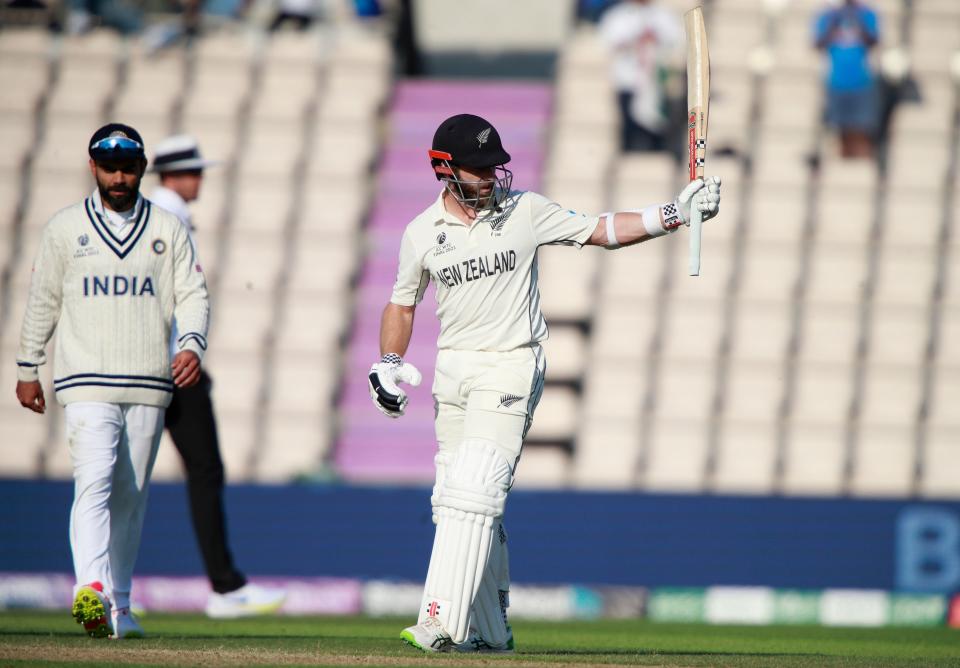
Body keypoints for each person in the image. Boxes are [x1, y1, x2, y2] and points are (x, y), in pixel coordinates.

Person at [369, 113, 721, 653]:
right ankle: (490, 632)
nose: (490, 177)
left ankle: (439, 620)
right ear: (444, 168)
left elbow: (602, 230)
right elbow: (402, 301)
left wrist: (674, 213)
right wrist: (388, 360)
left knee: (477, 488)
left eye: (495, 167)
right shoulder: (421, 233)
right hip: (453, 370)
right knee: (455, 501)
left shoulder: (525, 210)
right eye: (478, 168)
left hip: (513, 362)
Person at [15, 123, 210, 639]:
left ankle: (119, 606)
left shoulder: (167, 227)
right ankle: (91, 591)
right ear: (93, 167)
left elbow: (192, 294)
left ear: (142, 167)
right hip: (85, 379)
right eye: (109, 166)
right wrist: (27, 366)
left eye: (127, 167)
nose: (118, 176)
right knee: (95, 479)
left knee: (132, 493)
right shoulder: (64, 228)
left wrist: (191, 343)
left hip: (148, 379)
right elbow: (44, 300)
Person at [149, 135, 286, 619]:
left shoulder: (151, 212)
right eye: (194, 170)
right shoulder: (170, 215)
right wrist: (185, 351)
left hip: (149, 365)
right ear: (175, 174)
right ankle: (225, 588)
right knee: (205, 471)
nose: (200, 179)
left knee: (125, 477)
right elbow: (177, 294)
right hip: (172, 369)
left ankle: (105, 584)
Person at [598, 0, 682, 152]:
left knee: (657, 126)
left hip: (656, 83)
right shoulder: (617, 16)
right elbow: (608, 43)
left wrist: (655, 38)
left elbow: (676, 41)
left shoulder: (663, 15)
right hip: (628, 80)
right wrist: (634, 39)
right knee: (630, 127)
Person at [814, 0, 880, 158]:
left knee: (861, 126)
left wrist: (857, 17)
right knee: (837, 127)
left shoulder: (867, 13)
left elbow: (874, 40)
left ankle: (862, 158)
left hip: (861, 81)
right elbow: (818, 42)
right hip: (835, 81)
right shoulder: (827, 14)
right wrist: (834, 19)